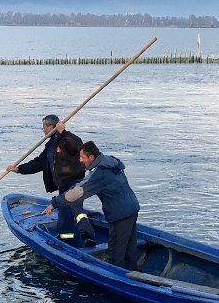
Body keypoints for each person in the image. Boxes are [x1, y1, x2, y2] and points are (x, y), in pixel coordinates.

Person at [44, 141, 140, 270]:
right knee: (130, 248)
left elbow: (77, 193)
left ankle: (119, 280)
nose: (80, 160)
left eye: (83, 157)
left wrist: (54, 203)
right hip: (132, 208)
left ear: (91, 157)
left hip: (120, 215)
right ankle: (132, 272)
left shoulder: (99, 173)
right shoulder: (111, 161)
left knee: (116, 253)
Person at [7, 115, 95, 247]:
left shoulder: (67, 139)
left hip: (74, 182)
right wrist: (19, 169)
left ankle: (88, 236)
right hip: (63, 184)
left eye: (44, 127)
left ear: (50, 126)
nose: (43, 131)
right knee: (64, 213)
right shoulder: (50, 144)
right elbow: (39, 162)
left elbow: (76, 144)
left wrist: (63, 132)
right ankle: (66, 240)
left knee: (75, 208)